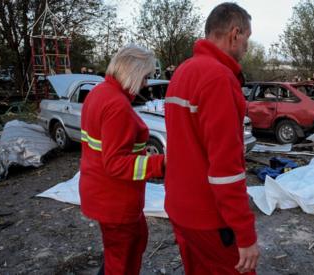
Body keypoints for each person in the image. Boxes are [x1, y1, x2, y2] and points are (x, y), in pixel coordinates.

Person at [164, 3, 259, 275]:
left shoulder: (183, 72)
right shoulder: (218, 78)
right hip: (210, 219)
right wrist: (245, 234)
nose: (247, 48)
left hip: (180, 211)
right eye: (247, 39)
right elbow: (226, 170)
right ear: (235, 34)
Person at [79, 45, 166, 274]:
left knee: (133, 243)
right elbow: (115, 163)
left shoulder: (100, 92)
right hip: (115, 201)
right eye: (145, 77)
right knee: (121, 260)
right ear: (133, 71)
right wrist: (161, 164)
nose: (146, 84)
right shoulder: (116, 105)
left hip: (103, 195)